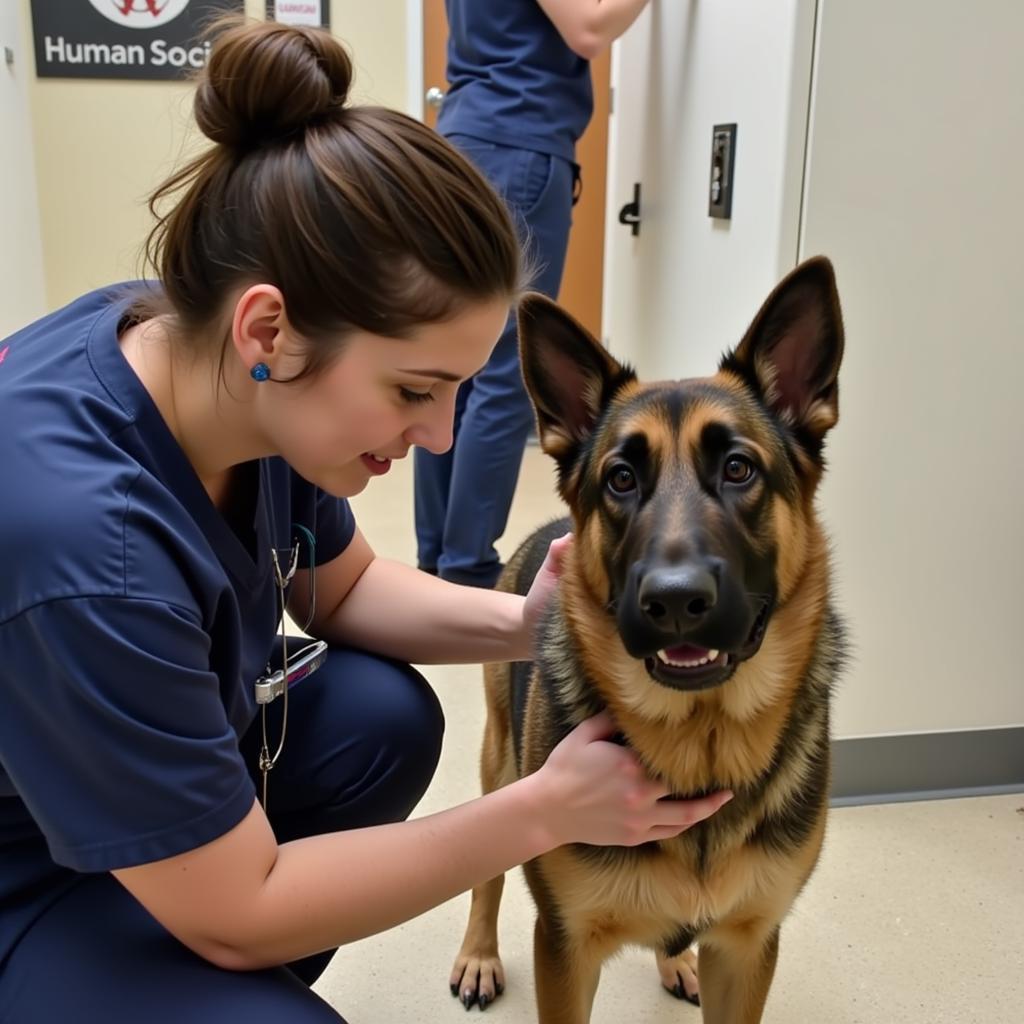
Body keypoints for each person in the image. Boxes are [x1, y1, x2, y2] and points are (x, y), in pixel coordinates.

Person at [0, 18, 730, 1024]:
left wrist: (536, 619)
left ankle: (169, 962)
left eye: (457, 394)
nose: (435, 438)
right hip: (23, 866)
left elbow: (337, 588)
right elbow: (239, 911)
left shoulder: (200, 352)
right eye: (413, 390)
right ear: (271, 329)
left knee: (380, 721)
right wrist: (541, 808)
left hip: (106, 784)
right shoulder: (88, 546)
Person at [414, 0, 652, 587]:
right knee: (501, 372)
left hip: (468, 138)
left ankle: (439, 557)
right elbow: (589, 28)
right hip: (519, 141)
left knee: (450, 366)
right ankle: (467, 566)